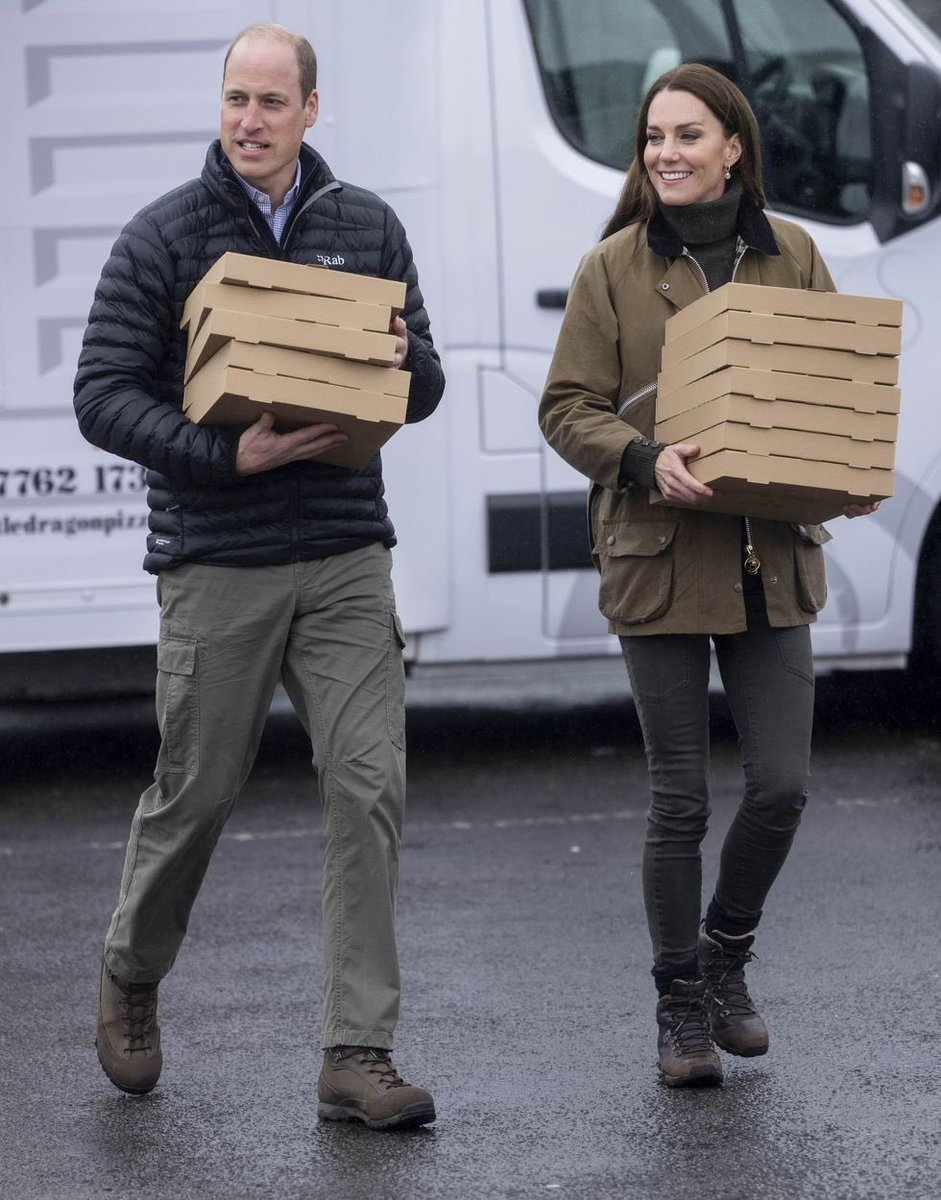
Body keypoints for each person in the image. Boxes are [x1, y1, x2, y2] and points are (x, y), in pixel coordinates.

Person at [74, 23, 444, 1130]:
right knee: (196, 795)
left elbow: (421, 377)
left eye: (271, 102)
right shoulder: (166, 234)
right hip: (217, 559)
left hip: (341, 553)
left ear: (310, 112)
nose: (248, 120)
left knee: (368, 789)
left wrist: (390, 366)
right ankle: (132, 971)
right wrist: (219, 451)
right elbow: (101, 392)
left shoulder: (365, 224)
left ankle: (356, 1053)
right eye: (235, 98)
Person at [539, 63, 879, 1087]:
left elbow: (829, 397)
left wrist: (842, 478)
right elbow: (564, 408)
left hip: (767, 564)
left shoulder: (794, 257)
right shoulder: (610, 269)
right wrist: (642, 460)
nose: (664, 153)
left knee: (779, 786)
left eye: (686, 135)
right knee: (677, 799)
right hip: (655, 560)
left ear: (732, 145)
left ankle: (723, 956)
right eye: (652, 137)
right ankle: (677, 1004)